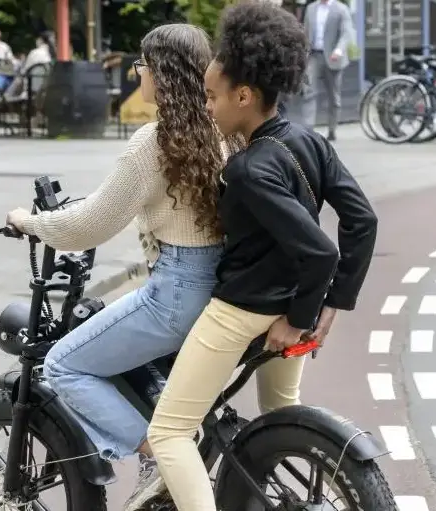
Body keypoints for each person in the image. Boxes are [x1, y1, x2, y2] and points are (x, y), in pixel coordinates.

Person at [135, 3, 379, 510]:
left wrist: (301, 318)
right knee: (280, 417)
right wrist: (332, 304)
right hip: (289, 299)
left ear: (243, 96)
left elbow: (319, 249)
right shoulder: (310, 142)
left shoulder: (247, 169)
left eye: (210, 97)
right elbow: (363, 221)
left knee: (170, 434)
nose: (205, 108)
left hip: (242, 309)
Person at [3, 23, 230, 511]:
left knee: (64, 364)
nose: (137, 74)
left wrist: (33, 222)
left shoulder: (153, 142)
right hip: (220, 289)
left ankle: (162, 459)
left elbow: (91, 224)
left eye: (141, 66)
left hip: (174, 292)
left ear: (160, 76)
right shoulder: (219, 131)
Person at [298, 0, 353, 140]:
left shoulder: (341, 9)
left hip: (334, 57)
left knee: (334, 97)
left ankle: (332, 129)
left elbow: (346, 33)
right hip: (314, 56)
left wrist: (339, 50)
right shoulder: (311, 8)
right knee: (308, 92)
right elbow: (305, 31)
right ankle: (308, 130)